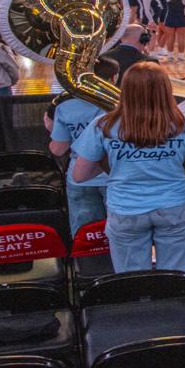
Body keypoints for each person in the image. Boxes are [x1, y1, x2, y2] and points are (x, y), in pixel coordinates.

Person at [70, 63, 185, 272]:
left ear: (125, 90)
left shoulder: (103, 125)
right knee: (175, 277)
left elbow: (79, 175)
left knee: (132, 281)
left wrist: (114, 165)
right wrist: (172, 167)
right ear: (166, 89)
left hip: (125, 209)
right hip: (174, 208)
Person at [47, 58, 119, 235]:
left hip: (79, 176)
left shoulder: (65, 105)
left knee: (86, 238)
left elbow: (58, 149)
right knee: (121, 237)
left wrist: (51, 129)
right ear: (113, 79)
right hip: (117, 177)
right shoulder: (124, 105)